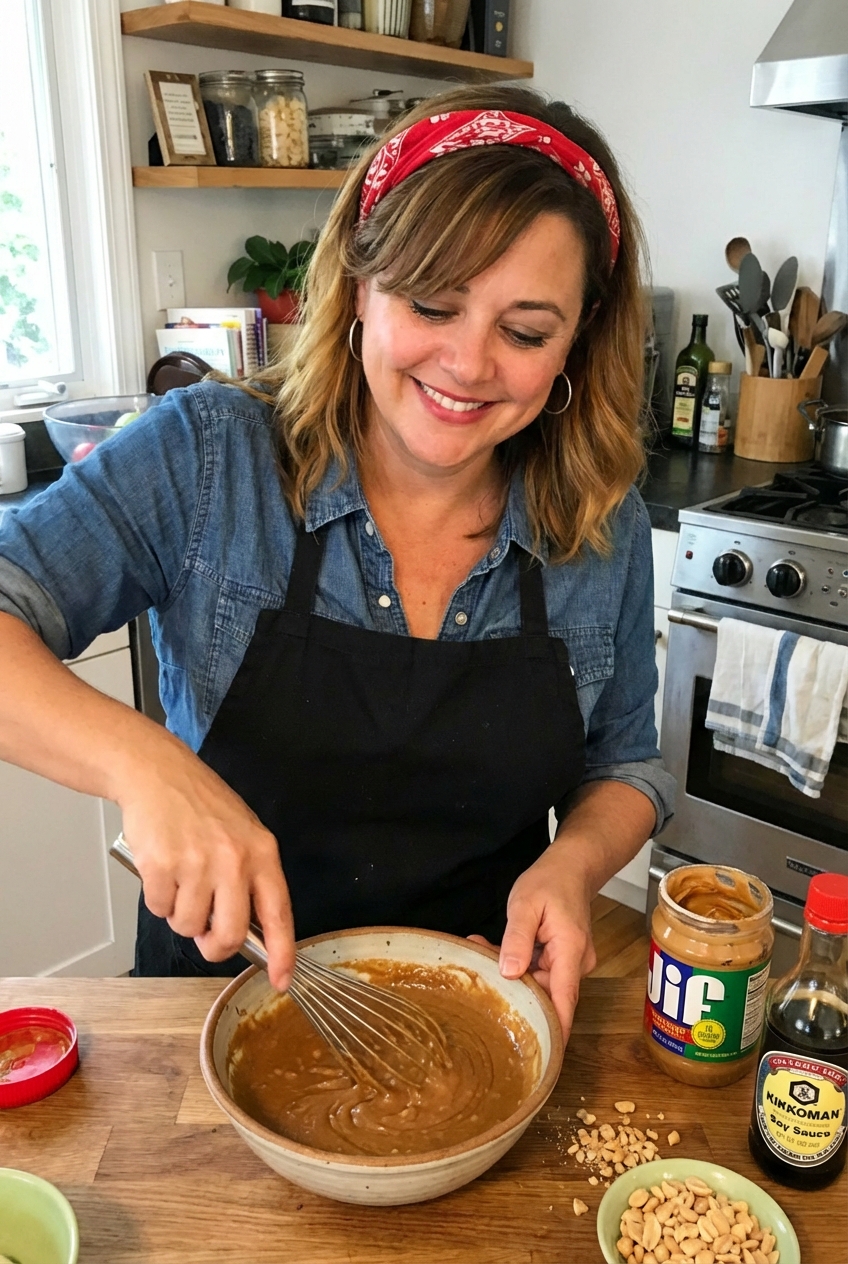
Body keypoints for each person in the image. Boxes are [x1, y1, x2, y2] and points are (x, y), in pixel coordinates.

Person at [0, 83, 674, 1043]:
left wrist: (570, 869)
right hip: (208, 1010)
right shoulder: (210, 458)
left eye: (525, 332)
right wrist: (145, 767)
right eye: (433, 304)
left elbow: (627, 763)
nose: (470, 364)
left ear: (579, 338)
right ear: (360, 283)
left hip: (476, 1014)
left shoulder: (601, 523)